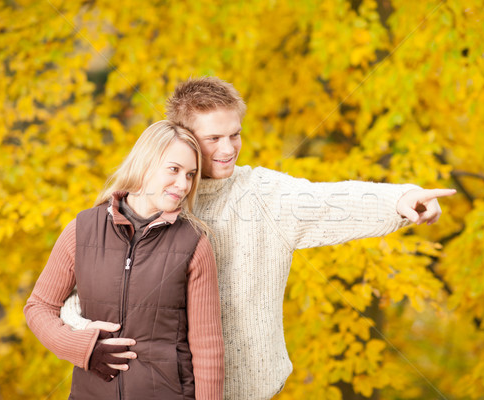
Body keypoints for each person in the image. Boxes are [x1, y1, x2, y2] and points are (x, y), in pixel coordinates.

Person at [61, 77, 456, 399]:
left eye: (235, 134)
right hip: (162, 389)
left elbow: (326, 200)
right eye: (214, 138)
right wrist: (84, 336)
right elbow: (97, 285)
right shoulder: (156, 201)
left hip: (248, 389)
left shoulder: (261, 193)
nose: (229, 148)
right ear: (180, 138)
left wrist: (399, 199)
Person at [24, 120, 224, 400]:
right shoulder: (82, 230)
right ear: (144, 164)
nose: (183, 184)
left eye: (190, 174)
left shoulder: (194, 243)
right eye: (174, 169)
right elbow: (39, 307)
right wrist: (83, 348)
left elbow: (207, 348)